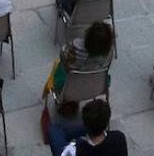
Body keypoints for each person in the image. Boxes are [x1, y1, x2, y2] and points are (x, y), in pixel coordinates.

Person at [46, 22, 115, 153]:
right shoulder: (108, 55)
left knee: (60, 66)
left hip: (70, 87)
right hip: (97, 86)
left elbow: (63, 55)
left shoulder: (75, 48)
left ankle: (69, 102)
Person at [61, 99, 127, 156]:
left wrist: (73, 144)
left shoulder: (76, 149)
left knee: (54, 129)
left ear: (84, 124)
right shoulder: (119, 138)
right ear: (107, 122)